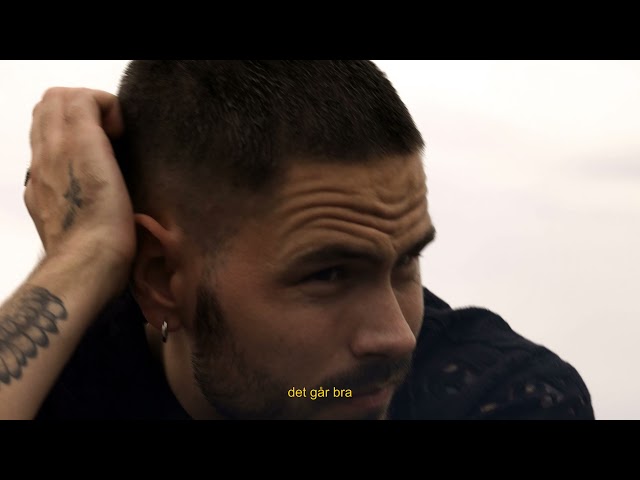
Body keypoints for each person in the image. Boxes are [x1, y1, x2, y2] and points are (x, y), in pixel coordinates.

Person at [0, 61, 595, 420]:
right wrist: (85, 256)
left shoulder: (496, 395)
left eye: (406, 262)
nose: (395, 338)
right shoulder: (62, 384)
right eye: (329, 274)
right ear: (160, 279)